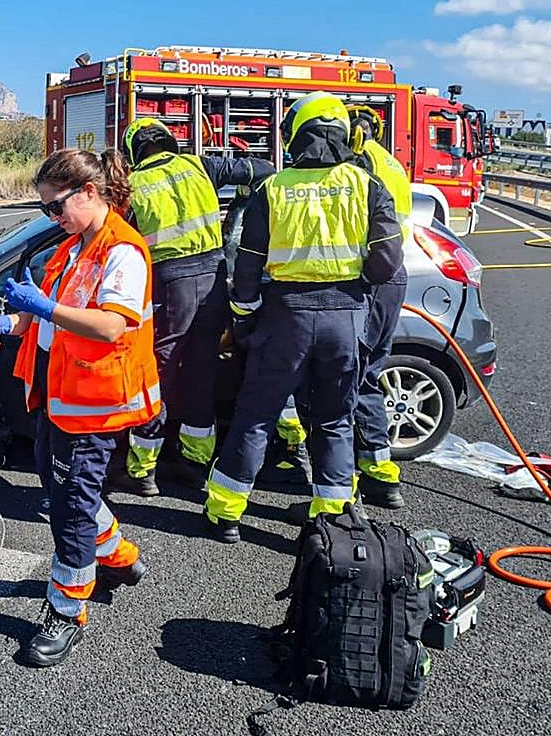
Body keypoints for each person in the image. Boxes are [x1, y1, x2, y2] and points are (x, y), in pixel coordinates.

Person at [0, 147, 159, 666]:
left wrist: (44, 306)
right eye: (46, 209)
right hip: (57, 393)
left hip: (92, 403)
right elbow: (44, 320)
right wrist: (7, 324)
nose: (52, 218)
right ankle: (118, 557)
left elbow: (112, 324)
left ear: (90, 193)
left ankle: (67, 609)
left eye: (56, 206)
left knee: (70, 507)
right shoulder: (73, 247)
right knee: (63, 488)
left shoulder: (123, 252)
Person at [203, 92, 403, 543]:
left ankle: (225, 512)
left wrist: (244, 318)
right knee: (334, 418)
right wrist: (353, 289)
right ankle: (331, 517)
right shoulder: (367, 184)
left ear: (295, 134)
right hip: (344, 317)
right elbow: (387, 260)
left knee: (256, 414)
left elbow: (248, 265)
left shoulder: (273, 188)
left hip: (285, 317)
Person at [113, 117, 276, 497]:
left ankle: (143, 470)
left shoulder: (134, 186)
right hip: (214, 278)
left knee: (158, 374)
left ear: (134, 152)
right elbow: (264, 170)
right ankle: (195, 464)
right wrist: (242, 204)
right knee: (202, 371)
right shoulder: (200, 166)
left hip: (171, 284)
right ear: (170, 140)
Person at [348, 105, 412, 509]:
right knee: (368, 372)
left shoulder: (362, 166)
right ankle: (380, 474)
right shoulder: (393, 163)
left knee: (350, 376)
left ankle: (345, 492)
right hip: (393, 276)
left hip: (372, 280)